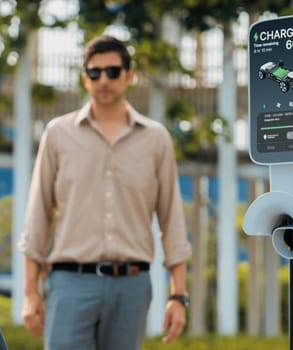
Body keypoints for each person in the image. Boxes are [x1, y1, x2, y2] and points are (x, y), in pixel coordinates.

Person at [18, 34, 191, 350]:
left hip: (132, 286)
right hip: (70, 283)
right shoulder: (58, 134)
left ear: (129, 75)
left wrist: (178, 295)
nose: (104, 80)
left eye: (112, 71)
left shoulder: (156, 139)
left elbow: (171, 219)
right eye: (95, 72)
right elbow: (38, 212)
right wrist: (30, 291)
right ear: (85, 79)